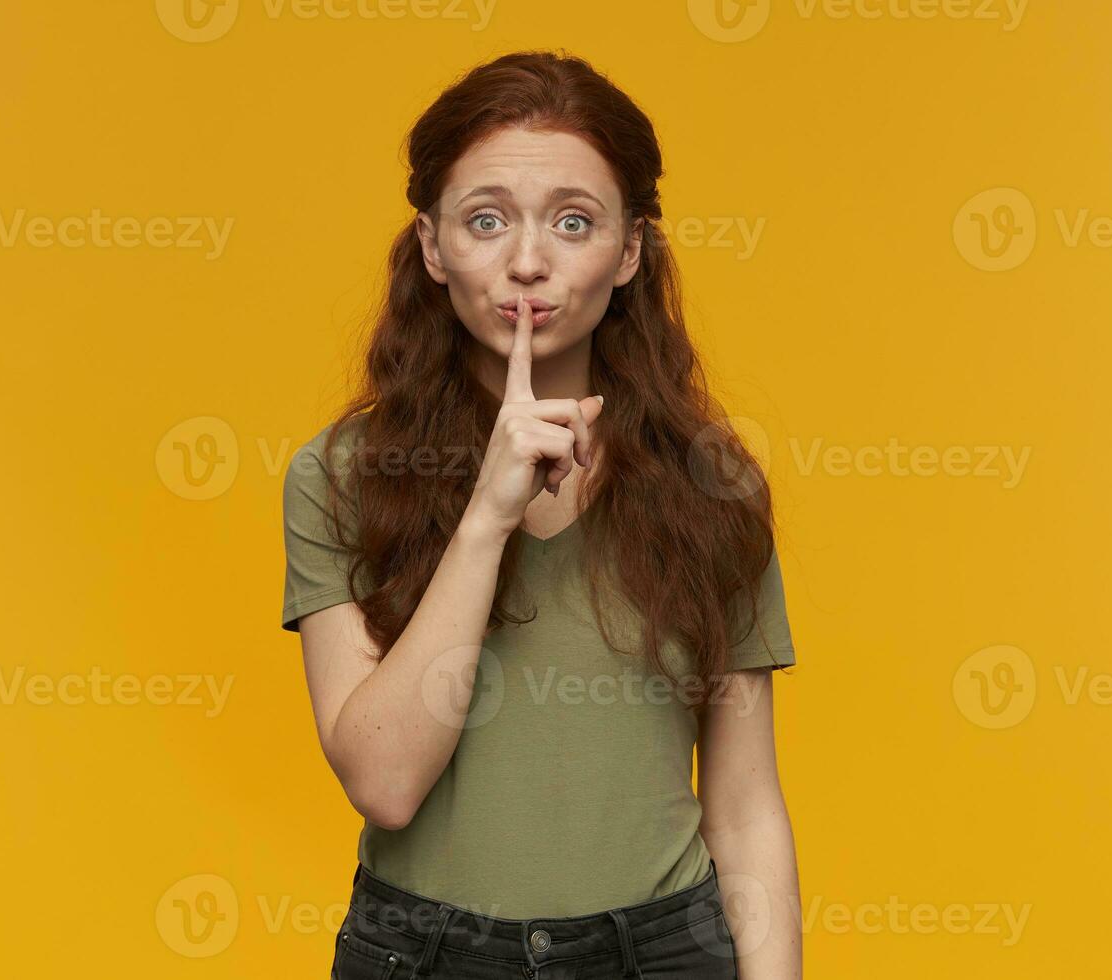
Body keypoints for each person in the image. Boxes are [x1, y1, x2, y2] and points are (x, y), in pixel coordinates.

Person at [282, 50, 801, 979]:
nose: (528, 262)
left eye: (573, 222)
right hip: (432, 953)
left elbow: (745, 808)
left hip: (664, 952)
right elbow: (384, 785)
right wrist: (489, 512)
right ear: (434, 247)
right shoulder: (340, 474)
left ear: (631, 251)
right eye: (487, 221)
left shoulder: (712, 483)